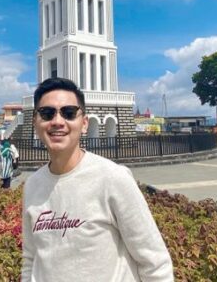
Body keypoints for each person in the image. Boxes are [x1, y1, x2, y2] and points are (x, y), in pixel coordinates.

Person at [22, 77, 174, 281]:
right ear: (35, 122)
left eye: (68, 113)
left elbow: (155, 262)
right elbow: (31, 257)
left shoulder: (112, 178)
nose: (57, 121)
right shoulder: (33, 185)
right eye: (47, 113)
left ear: (84, 124)